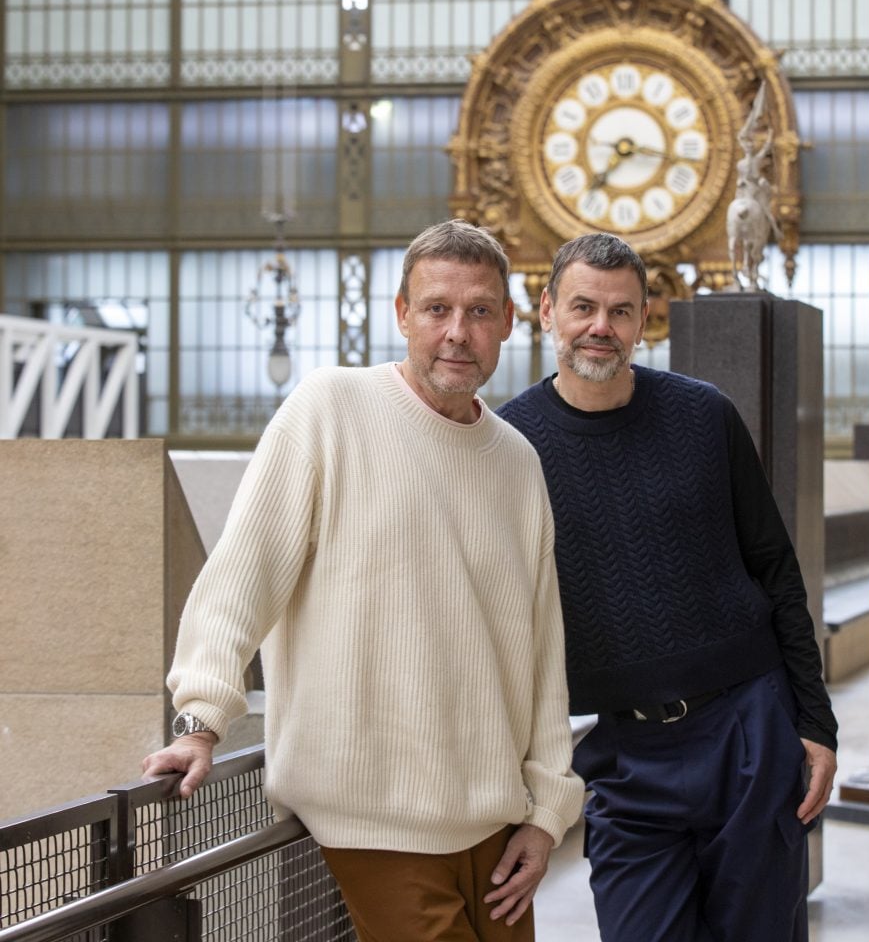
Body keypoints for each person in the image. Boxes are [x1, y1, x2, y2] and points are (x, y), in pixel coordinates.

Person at [142, 219, 584, 942]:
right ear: (402, 313)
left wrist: (546, 813)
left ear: (508, 321)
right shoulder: (329, 409)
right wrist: (201, 717)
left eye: (478, 312)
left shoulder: (517, 459)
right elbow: (242, 575)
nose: (456, 333)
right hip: (375, 816)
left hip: (495, 825)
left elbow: (540, 655)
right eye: (437, 309)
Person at [497, 232, 838, 942]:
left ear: (645, 317)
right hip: (622, 755)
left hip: (746, 726)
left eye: (621, 311)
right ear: (545, 310)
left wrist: (814, 722)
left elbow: (775, 567)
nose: (601, 326)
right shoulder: (509, 447)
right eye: (583, 306)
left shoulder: (703, 414)